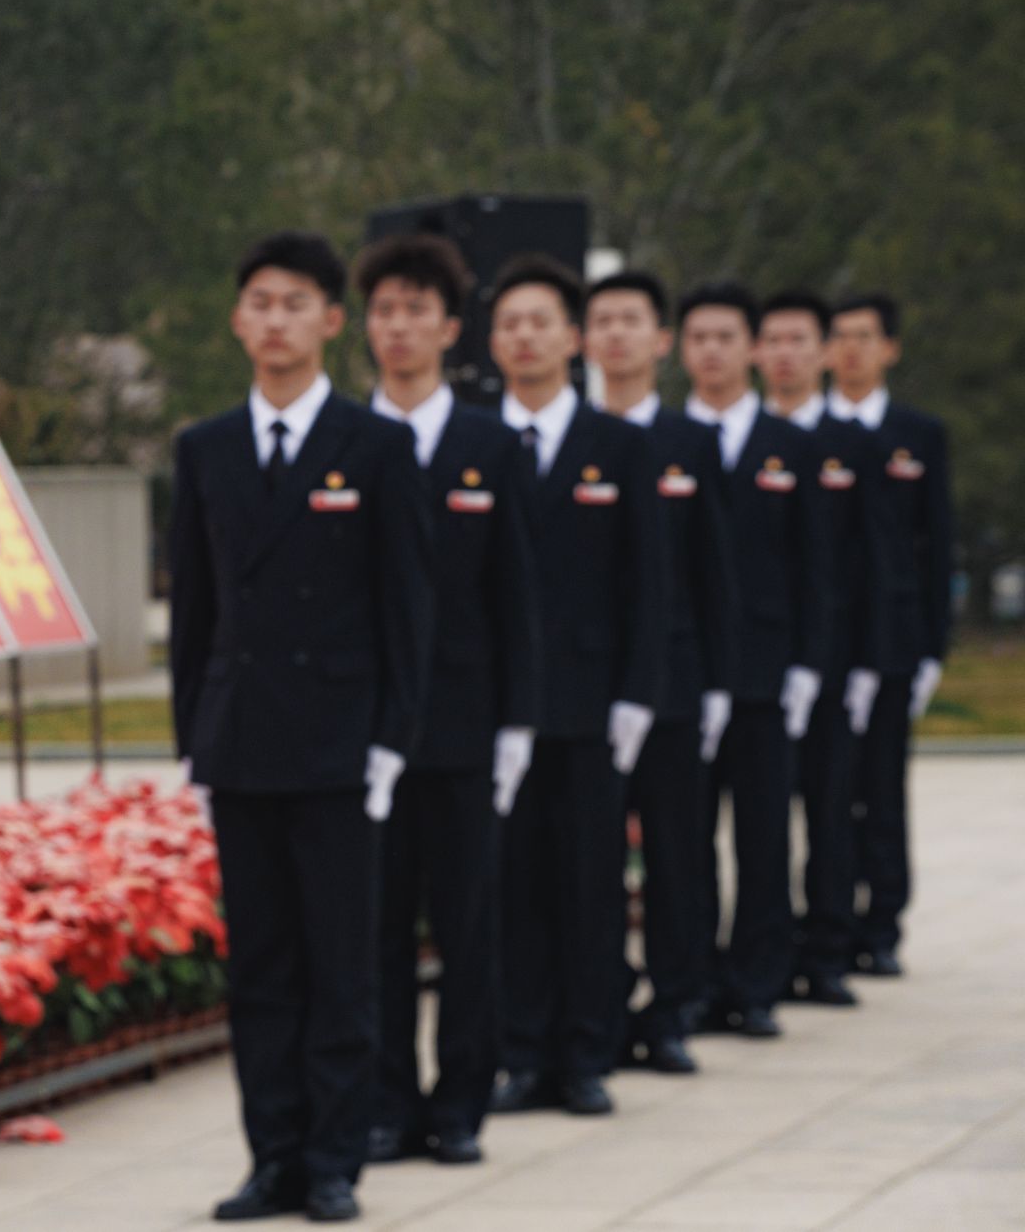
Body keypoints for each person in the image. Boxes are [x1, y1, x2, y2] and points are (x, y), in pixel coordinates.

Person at [170, 230, 436, 1223]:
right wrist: (192, 740)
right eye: (259, 303)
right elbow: (193, 614)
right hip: (240, 745)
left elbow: (407, 607)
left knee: (342, 964)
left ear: (330, 320)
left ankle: (332, 1160)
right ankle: (270, 1156)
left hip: (338, 747)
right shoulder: (204, 449)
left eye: (295, 304)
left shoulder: (377, 447)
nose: (274, 320)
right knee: (262, 968)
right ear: (238, 321)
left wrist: (389, 742)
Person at [359, 234, 542, 1167]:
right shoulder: (346, 443)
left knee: (469, 926)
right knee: (380, 929)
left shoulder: (491, 446)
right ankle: (388, 1102)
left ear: (449, 328)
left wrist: (517, 721)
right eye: (384, 311)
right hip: (371, 734)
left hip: (468, 730)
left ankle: (463, 1100)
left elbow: (518, 594)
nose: (400, 328)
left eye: (416, 311)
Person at [487, 254, 666, 1120]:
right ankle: (524, 1052)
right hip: (498, 709)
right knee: (513, 885)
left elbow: (648, 581)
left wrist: (638, 692)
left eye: (541, 321)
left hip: (594, 705)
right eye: (511, 323)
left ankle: (587, 1052)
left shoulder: (622, 447)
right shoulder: (474, 446)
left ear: (573, 337)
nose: (526, 336)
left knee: (592, 884)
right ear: (492, 342)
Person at [585, 271, 739, 1075]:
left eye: (631, 320)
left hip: (677, 682)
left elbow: (715, 571)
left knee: (680, 853)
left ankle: (675, 1004)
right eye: (601, 320)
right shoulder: (567, 438)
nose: (615, 334)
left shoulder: (691, 444)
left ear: (659, 341)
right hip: (587, 686)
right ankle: (603, 1002)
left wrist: (717, 681)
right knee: (592, 859)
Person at [679, 282, 831, 1040]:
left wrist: (808, 663)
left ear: (752, 349)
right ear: (681, 349)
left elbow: (818, 564)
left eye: (725, 337)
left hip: (767, 672)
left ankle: (758, 979)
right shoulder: (662, 443)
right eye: (698, 337)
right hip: (682, 673)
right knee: (685, 838)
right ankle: (695, 979)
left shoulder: (793, 446)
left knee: (765, 834)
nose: (711, 350)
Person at [758, 290, 895, 1006]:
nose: (785, 353)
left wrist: (871, 660)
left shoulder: (854, 446)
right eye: (772, 340)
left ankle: (831, 945)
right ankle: (767, 950)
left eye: (798, 340)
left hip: (837, 662)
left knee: (832, 807)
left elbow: (871, 563)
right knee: (762, 819)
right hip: (757, 662)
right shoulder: (744, 442)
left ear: (822, 353)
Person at [827, 294, 954, 978]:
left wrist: (933, 645)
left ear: (889, 349)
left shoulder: (917, 433)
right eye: (840, 337)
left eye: (864, 337)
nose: (851, 349)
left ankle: (883, 923)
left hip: (894, 639)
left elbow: (936, 544)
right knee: (827, 787)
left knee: (881, 786)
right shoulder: (811, 433)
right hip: (826, 644)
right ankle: (830, 918)